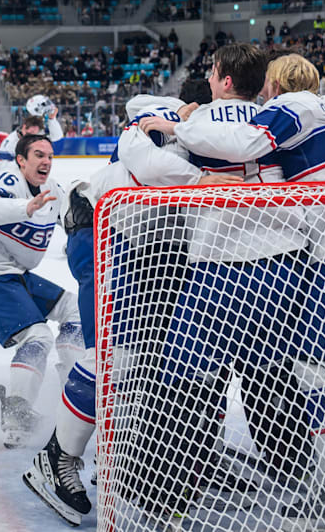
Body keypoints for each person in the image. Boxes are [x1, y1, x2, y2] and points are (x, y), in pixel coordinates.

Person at [144, 54, 325, 522]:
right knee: (322, 366)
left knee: (301, 370)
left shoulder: (282, 109)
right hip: (319, 249)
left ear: (272, 84)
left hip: (307, 252)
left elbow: (246, 145)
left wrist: (175, 127)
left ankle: (171, 490)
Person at [23, 81, 241, 526]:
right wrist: (185, 127)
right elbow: (139, 132)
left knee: (154, 359)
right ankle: (57, 456)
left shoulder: (219, 128)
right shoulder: (170, 115)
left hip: (148, 243)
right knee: (113, 357)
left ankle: (124, 458)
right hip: (103, 231)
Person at [0, 134, 84, 449]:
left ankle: (76, 389)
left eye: (50, 156)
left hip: (13, 272)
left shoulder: (53, 191)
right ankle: (16, 412)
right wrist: (24, 207)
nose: (46, 162)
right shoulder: (9, 180)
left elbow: (77, 214)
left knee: (76, 310)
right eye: (38, 155)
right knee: (37, 337)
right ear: (21, 160)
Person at [0, 95, 64, 169]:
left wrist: (52, 119)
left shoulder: (37, 130)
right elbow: (1, 166)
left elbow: (57, 137)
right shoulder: (12, 141)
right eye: (44, 104)